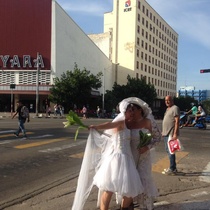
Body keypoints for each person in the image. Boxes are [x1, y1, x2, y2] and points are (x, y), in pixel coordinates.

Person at [71, 101, 144, 210]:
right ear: (124, 111)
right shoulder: (120, 122)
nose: (131, 113)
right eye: (130, 111)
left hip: (127, 159)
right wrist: (96, 126)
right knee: (109, 188)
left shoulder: (128, 124)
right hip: (117, 158)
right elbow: (109, 124)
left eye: (133, 111)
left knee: (129, 191)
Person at [122, 97, 162, 210]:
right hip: (130, 156)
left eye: (133, 109)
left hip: (144, 156)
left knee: (143, 179)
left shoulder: (149, 122)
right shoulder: (127, 122)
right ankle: (129, 205)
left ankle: (145, 205)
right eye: (129, 109)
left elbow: (158, 138)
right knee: (130, 180)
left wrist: (147, 147)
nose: (131, 111)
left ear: (140, 110)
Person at [162, 95, 180, 175]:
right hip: (166, 133)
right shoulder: (167, 109)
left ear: (172, 100)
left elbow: (177, 121)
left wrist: (175, 133)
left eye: (168, 100)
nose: (167, 102)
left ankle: (172, 168)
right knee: (168, 150)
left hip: (171, 133)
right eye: (166, 100)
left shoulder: (175, 108)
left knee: (171, 151)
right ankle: (173, 167)